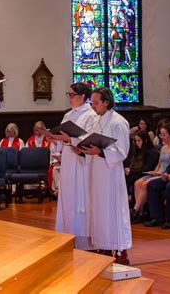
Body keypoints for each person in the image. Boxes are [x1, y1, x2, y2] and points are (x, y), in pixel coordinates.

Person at [80, 87, 132, 264]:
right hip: (97, 173)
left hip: (111, 174)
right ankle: (103, 246)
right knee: (99, 211)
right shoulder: (97, 121)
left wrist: (100, 152)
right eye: (91, 103)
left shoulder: (119, 122)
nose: (92, 106)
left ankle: (120, 251)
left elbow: (122, 151)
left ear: (106, 102)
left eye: (95, 103)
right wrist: (82, 148)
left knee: (114, 211)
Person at [48, 83, 97, 250]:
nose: (69, 97)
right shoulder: (68, 115)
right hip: (69, 160)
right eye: (68, 94)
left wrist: (71, 140)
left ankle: (83, 239)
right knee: (67, 198)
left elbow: (91, 140)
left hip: (81, 162)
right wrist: (55, 139)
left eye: (72, 94)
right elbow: (63, 139)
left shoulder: (91, 115)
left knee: (79, 199)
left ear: (82, 96)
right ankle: (67, 234)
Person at [131, 123, 170, 224]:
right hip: (159, 172)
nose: (162, 137)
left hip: (166, 173)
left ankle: (135, 211)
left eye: (164, 134)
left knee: (144, 184)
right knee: (137, 183)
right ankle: (141, 212)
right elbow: (159, 164)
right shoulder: (163, 148)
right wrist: (154, 172)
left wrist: (159, 174)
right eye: (161, 134)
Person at [125, 130, 159, 203]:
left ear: (145, 140)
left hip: (148, 175)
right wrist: (129, 169)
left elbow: (147, 169)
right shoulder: (138, 150)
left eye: (139, 141)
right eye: (136, 141)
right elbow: (134, 165)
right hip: (138, 173)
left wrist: (131, 171)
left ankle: (136, 207)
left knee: (131, 178)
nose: (137, 143)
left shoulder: (152, 152)